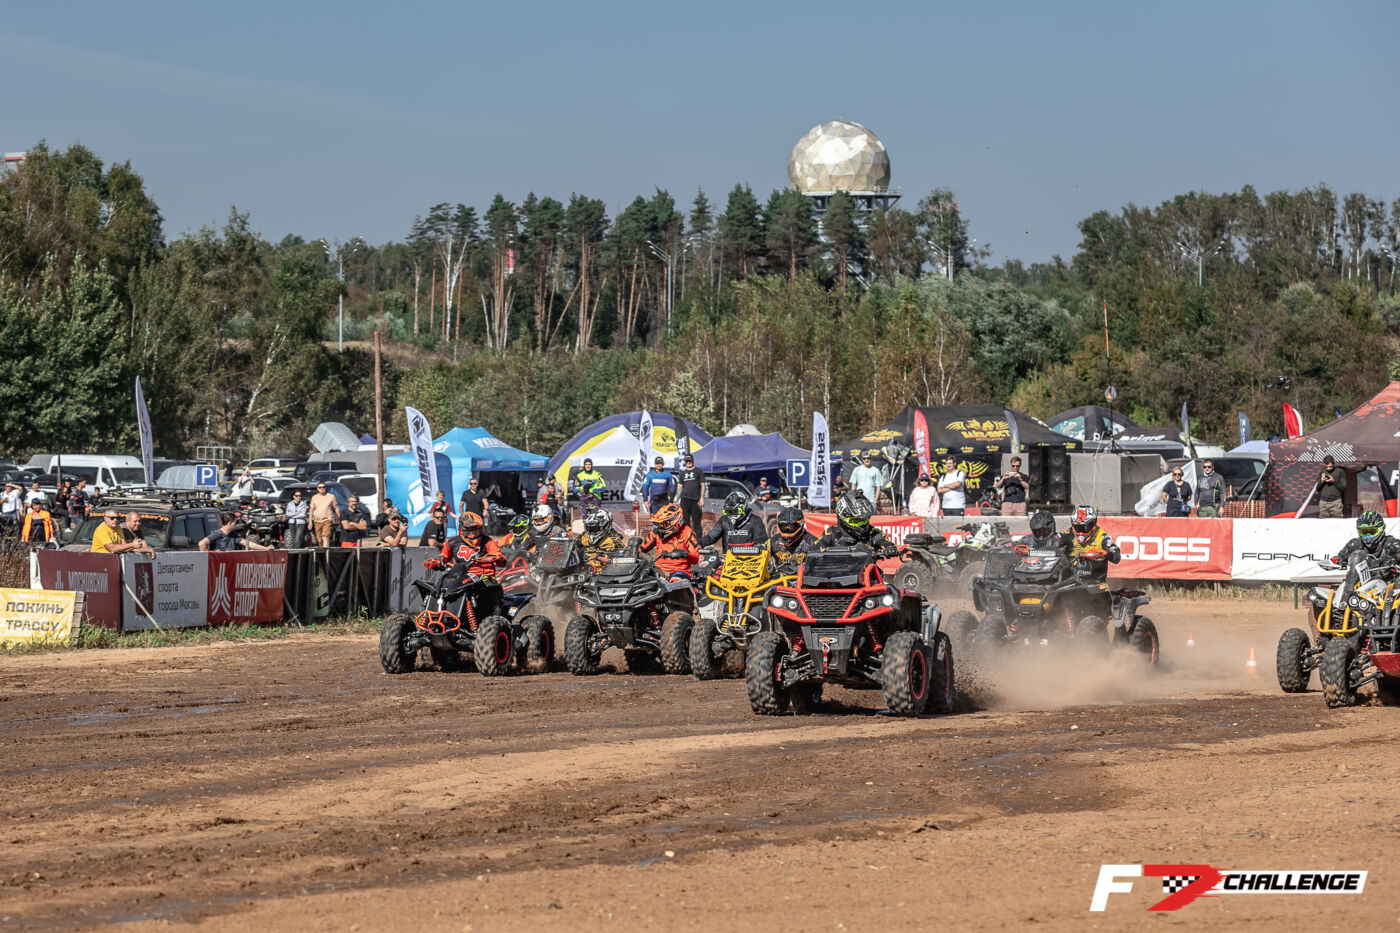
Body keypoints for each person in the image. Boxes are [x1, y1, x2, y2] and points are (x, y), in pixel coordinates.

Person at [814, 490, 898, 558]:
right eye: (856, 521)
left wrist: (889, 547)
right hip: (835, 571)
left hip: (865, 571)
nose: (861, 525)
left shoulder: (871, 532)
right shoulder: (831, 533)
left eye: (864, 520)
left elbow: (882, 540)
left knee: (878, 573)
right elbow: (815, 550)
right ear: (842, 518)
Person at [1057, 506, 1121, 583]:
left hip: (1095, 582)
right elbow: (1053, 545)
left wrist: (1107, 553)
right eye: (1078, 527)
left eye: (1085, 527)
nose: (1081, 532)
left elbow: (1116, 556)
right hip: (1067, 582)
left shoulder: (1101, 536)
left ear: (1093, 524)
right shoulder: (1066, 534)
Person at [638, 503, 700, 580]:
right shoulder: (656, 532)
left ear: (676, 521)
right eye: (660, 524)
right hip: (659, 571)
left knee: (675, 581)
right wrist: (632, 549)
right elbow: (640, 550)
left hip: (680, 572)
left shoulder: (688, 533)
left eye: (664, 524)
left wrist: (685, 554)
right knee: (642, 579)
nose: (661, 527)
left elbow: (695, 559)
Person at [435, 513, 505, 581]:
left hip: (485, 578)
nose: (474, 535)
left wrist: (497, 558)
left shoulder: (488, 541)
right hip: (462, 579)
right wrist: (440, 561)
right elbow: (443, 556)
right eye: (470, 532)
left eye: (477, 531)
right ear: (461, 530)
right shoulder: (452, 542)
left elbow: (501, 560)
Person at [1335, 510, 1400, 580]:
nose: (1368, 536)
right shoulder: (1354, 545)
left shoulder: (1394, 546)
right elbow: (1337, 560)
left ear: (1381, 529)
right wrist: (1339, 563)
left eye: (1372, 531)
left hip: (1389, 582)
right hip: (1359, 583)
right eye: (1364, 532)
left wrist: (1392, 564)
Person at [767, 506, 816, 574]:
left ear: (800, 525)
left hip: (804, 578)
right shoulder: (774, 541)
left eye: (790, 526)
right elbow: (762, 550)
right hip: (780, 578)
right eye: (784, 526)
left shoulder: (812, 542)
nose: (787, 529)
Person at [579, 507, 626, 571]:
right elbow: (574, 546)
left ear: (604, 526)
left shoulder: (613, 540)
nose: (591, 532)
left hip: (606, 572)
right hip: (585, 571)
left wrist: (598, 557)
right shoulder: (584, 537)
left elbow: (623, 558)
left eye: (595, 528)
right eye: (589, 528)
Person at [199, 512, 272, 551]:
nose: (236, 525)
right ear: (230, 523)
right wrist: (208, 557)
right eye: (235, 523)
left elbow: (248, 544)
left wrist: (265, 548)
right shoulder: (217, 533)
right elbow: (201, 543)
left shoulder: (233, 535)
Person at [675, 453, 705, 537]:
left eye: (690, 460)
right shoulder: (682, 473)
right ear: (685, 462)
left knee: (697, 523)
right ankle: (687, 541)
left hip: (695, 500)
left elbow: (703, 485)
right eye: (686, 461)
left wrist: (702, 498)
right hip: (684, 500)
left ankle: (698, 542)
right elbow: (680, 487)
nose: (688, 462)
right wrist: (677, 500)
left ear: (693, 461)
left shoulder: (699, 471)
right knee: (685, 523)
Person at [309, 483, 340, 547]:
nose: (322, 488)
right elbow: (311, 510)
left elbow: (336, 508)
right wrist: (310, 522)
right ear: (317, 489)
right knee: (319, 540)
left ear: (326, 488)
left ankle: (326, 552)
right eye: (320, 487)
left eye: (323, 487)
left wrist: (339, 518)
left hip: (327, 519)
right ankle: (322, 551)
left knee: (325, 536)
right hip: (317, 520)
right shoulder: (314, 497)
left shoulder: (331, 496)